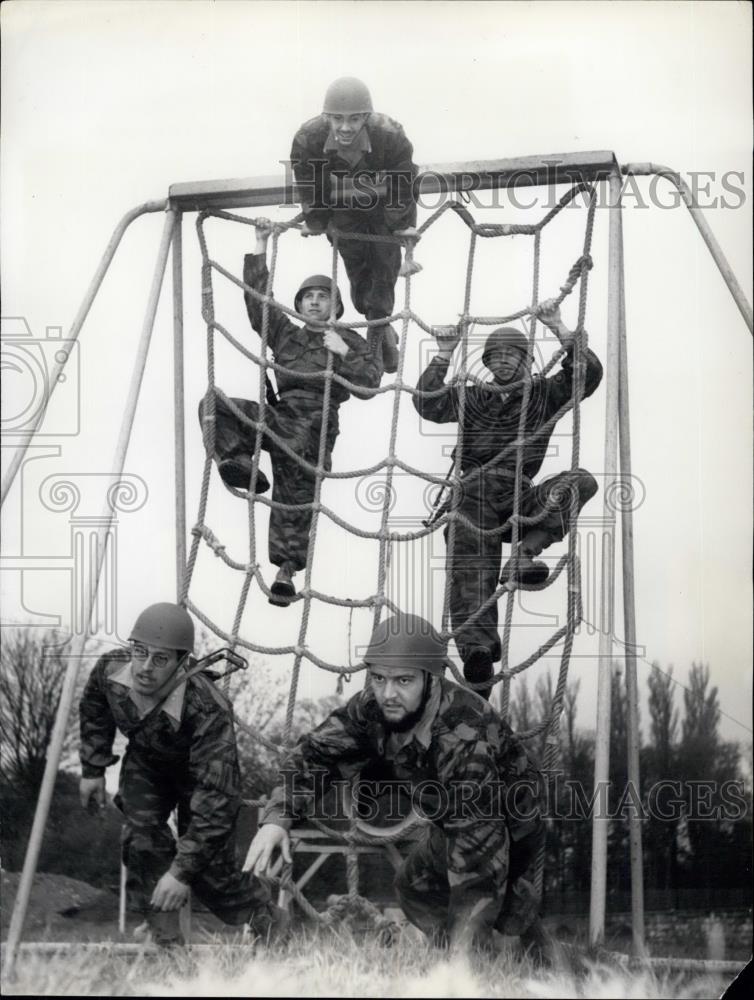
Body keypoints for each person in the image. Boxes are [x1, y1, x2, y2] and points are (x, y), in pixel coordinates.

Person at [245, 613, 545, 954]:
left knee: (510, 938)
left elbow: (477, 863)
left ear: (431, 680)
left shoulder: (464, 736)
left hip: (510, 832)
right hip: (448, 816)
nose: (388, 693)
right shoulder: (374, 705)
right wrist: (276, 820)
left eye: (403, 681)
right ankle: (459, 955)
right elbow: (313, 755)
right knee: (414, 885)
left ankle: (487, 959)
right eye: (378, 678)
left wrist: (470, 962)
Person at [413, 301, 603, 699]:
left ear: (526, 362)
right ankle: (478, 655)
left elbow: (588, 376)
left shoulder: (543, 393)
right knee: (470, 570)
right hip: (473, 492)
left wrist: (559, 328)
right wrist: (445, 352)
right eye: (494, 356)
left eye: (511, 355)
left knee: (579, 482)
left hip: (519, 492)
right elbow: (427, 403)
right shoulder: (472, 396)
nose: (502, 362)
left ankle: (526, 553)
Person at [78, 602, 287, 946]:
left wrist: (181, 873)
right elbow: (94, 706)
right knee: (140, 840)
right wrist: (93, 767)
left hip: (203, 779)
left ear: (181, 663)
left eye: (160, 659)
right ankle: (165, 939)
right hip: (148, 762)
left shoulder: (207, 707)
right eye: (139, 651)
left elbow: (216, 800)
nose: (145, 667)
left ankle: (268, 916)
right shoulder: (111, 670)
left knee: (209, 874)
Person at [199, 220, 382, 606]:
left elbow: (370, 383)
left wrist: (344, 352)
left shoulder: (349, 338)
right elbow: (257, 303)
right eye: (308, 297)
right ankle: (236, 461)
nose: (315, 302)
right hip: (281, 416)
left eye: (323, 296)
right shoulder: (287, 335)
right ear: (299, 306)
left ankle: (285, 573)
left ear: (336, 305)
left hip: (314, 426)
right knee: (214, 403)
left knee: (294, 503)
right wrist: (260, 245)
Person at [290, 76, 418, 375]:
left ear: (367, 117)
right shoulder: (309, 138)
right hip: (344, 206)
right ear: (326, 117)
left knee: (384, 270)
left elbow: (403, 179)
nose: (345, 128)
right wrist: (316, 219)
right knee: (360, 283)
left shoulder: (389, 134)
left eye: (354, 119)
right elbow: (309, 183)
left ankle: (376, 340)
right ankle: (381, 326)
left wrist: (402, 225)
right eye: (337, 119)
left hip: (383, 205)